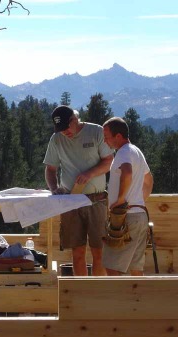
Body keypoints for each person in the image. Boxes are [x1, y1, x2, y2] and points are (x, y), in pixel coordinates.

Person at [43, 105, 114, 276]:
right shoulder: (56, 139)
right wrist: (54, 189)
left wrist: (89, 174)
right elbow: (50, 169)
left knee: (99, 251)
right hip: (70, 201)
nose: (64, 132)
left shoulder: (96, 132)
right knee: (77, 252)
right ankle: (81, 294)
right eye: (59, 129)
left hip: (96, 200)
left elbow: (109, 161)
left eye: (66, 127)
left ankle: (97, 293)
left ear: (75, 120)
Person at [102, 117, 153, 276]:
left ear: (118, 136)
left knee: (112, 267)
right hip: (139, 215)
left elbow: (127, 173)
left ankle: (118, 301)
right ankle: (138, 300)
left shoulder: (123, 153)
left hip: (126, 218)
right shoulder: (136, 151)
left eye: (107, 137)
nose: (105, 141)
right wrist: (140, 201)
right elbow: (149, 179)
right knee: (136, 268)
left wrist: (121, 200)